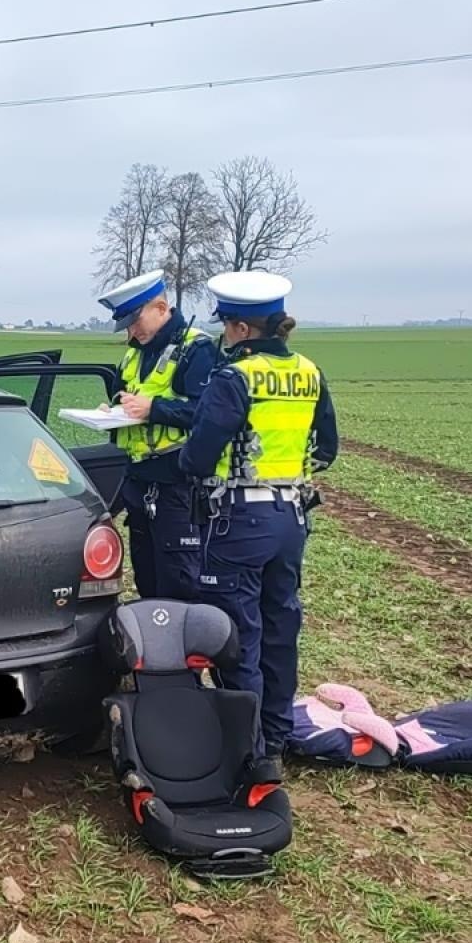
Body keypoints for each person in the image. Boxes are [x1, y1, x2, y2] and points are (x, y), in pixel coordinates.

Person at [177, 271, 338, 771]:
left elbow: (198, 458)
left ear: (242, 330)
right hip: (291, 517)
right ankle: (276, 734)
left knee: (237, 634)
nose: (224, 334)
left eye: (227, 325)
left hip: (238, 521)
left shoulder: (234, 378)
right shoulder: (309, 372)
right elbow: (327, 450)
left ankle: (246, 748)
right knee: (279, 627)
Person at [96, 272, 219, 601]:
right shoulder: (135, 353)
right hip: (138, 480)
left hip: (177, 484)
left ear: (161, 308)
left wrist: (154, 409)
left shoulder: (197, 349)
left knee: (178, 582)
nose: (131, 332)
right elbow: (125, 395)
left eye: (135, 321)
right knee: (147, 576)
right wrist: (112, 410)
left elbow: (206, 413)